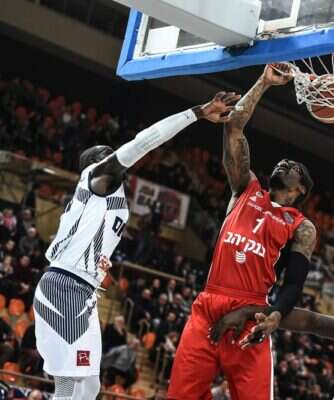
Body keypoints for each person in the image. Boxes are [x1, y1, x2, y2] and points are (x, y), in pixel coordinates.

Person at [32, 91, 239, 400]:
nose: (117, 156)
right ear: (97, 164)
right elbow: (144, 141)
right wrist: (198, 112)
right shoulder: (96, 177)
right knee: (70, 383)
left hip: (82, 291)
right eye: (109, 154)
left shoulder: (106, 200)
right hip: (65, 287)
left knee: (89, 386)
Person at [168, 65, 318, 400]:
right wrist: (264, 81)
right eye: (283, 163)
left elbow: (293, 284)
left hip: (252, 313)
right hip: (208, 305)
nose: (284, 164)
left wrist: (273, 316)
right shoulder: (245, 189)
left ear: (300, 190)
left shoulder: (302, 227)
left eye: (294, 168)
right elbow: (234, 126)